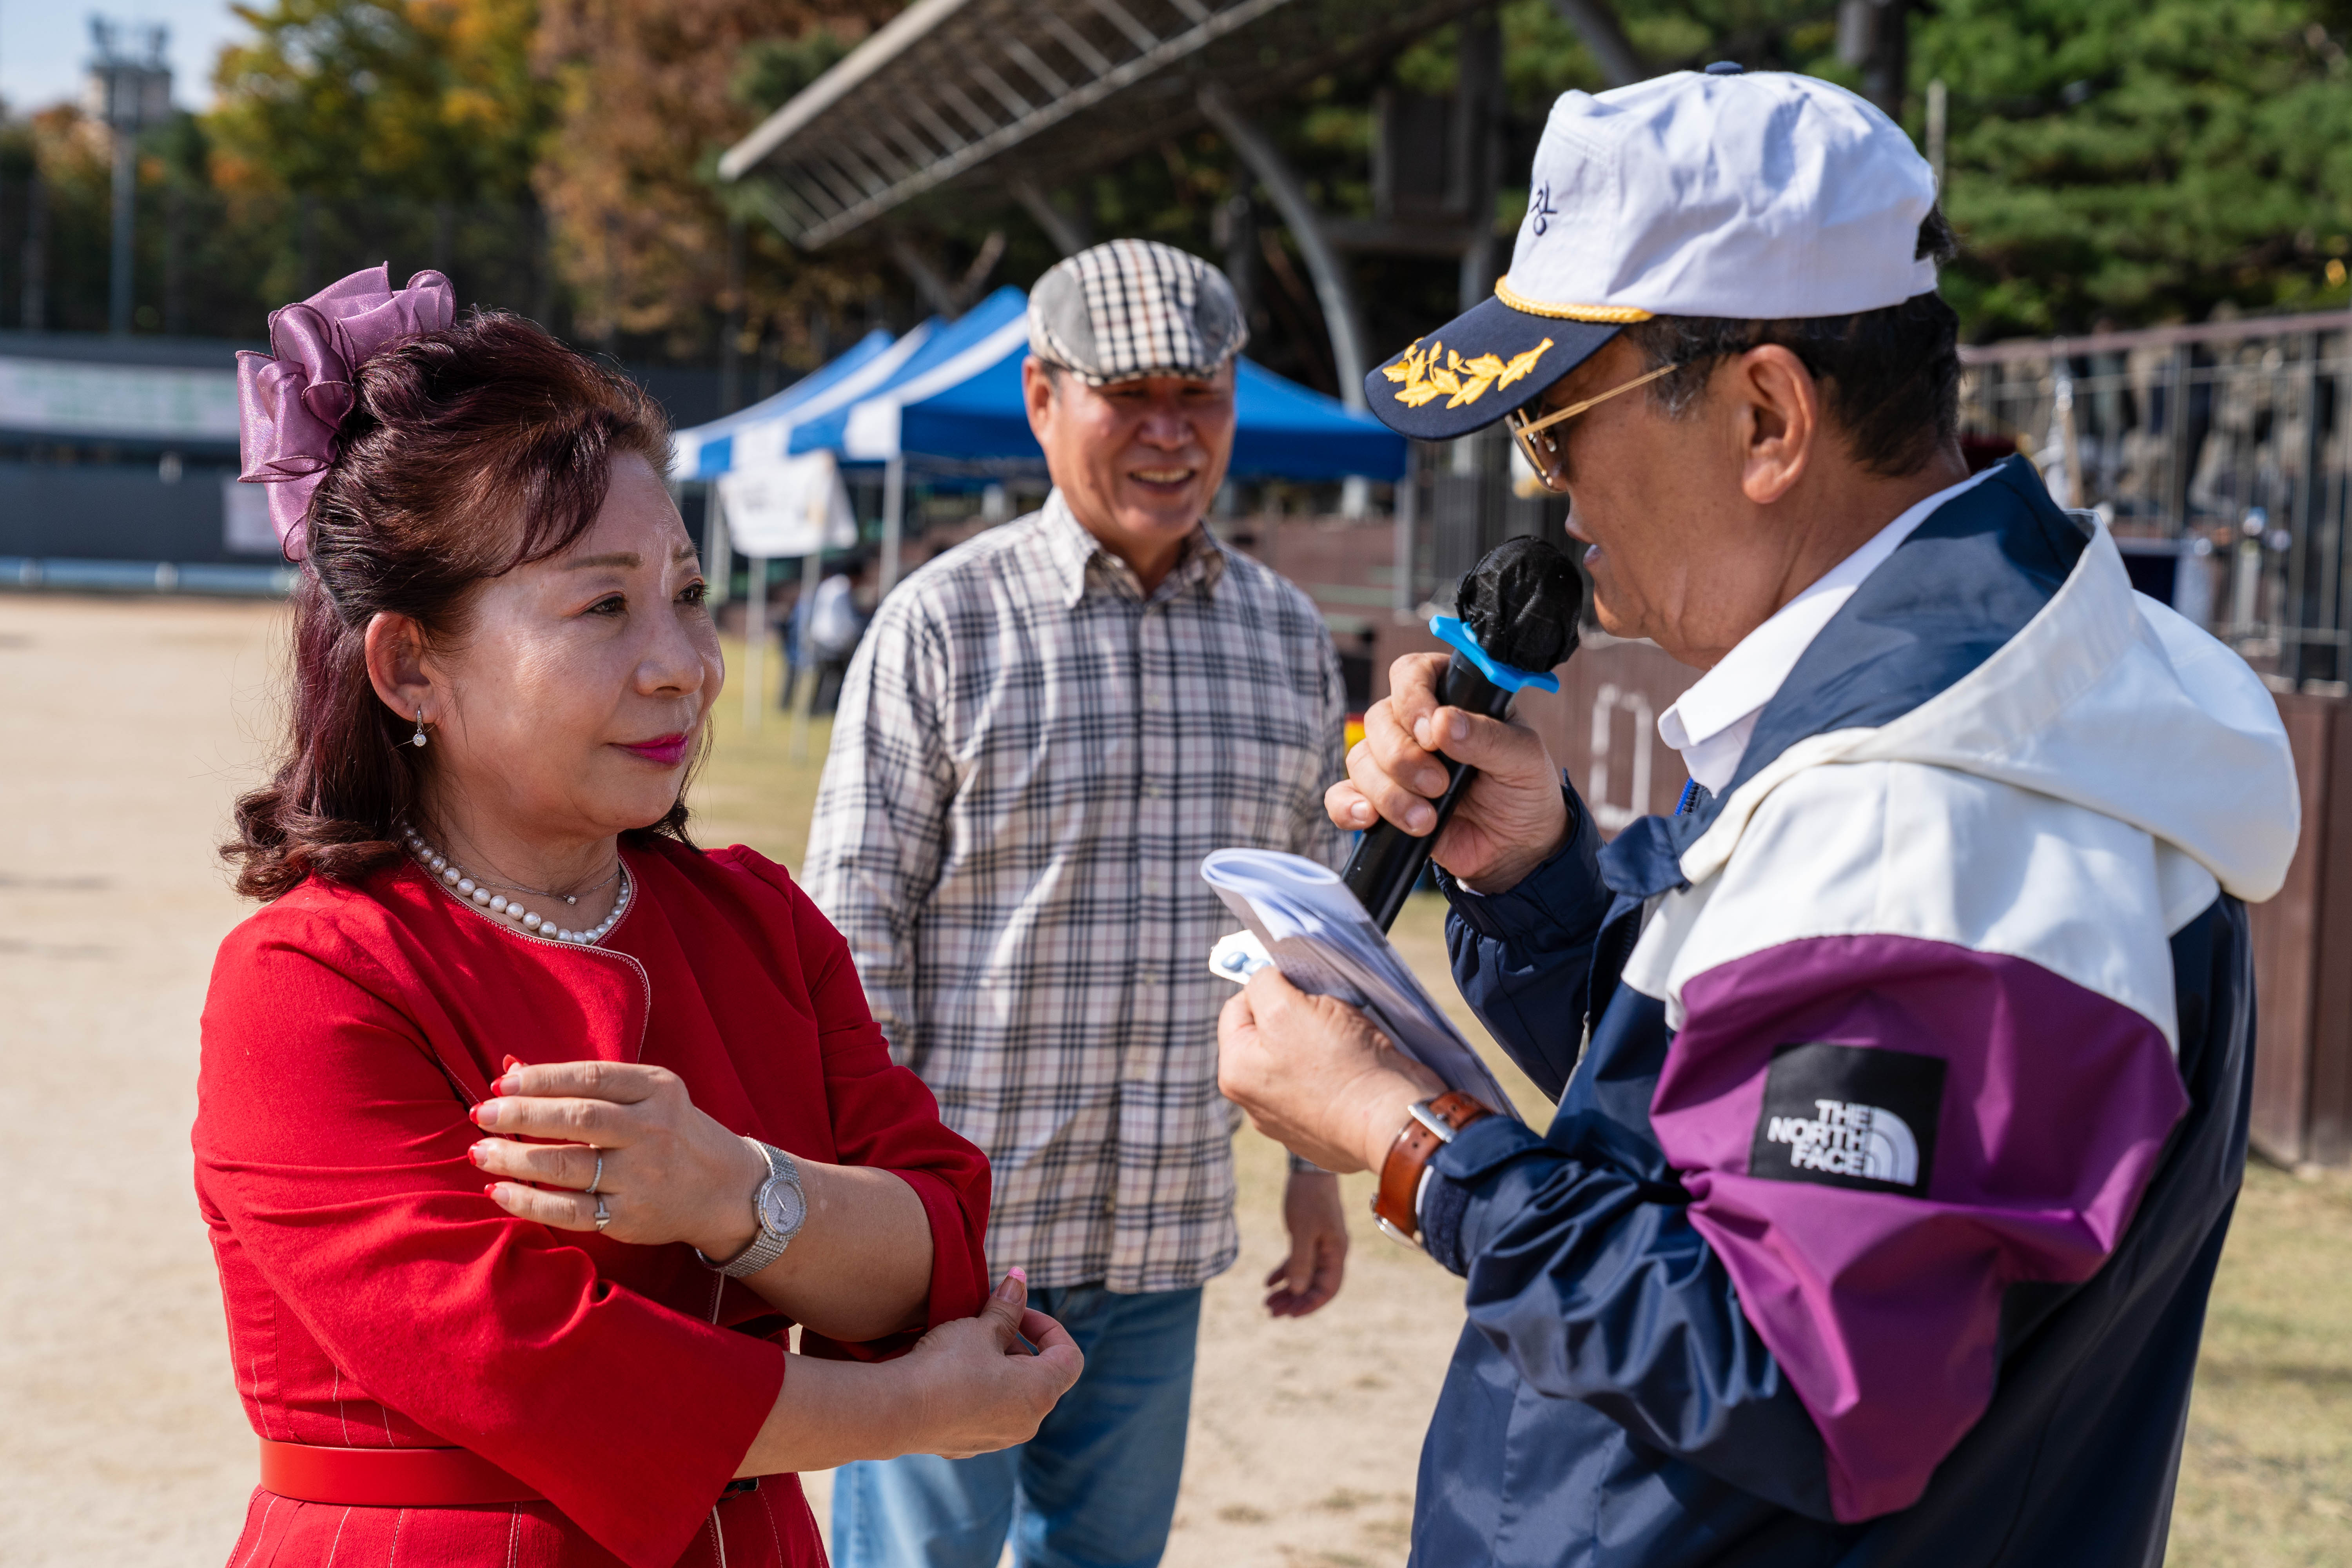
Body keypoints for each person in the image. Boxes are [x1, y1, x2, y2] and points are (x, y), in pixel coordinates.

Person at [1216, 68, 2302, 1566]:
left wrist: (1410, 1141)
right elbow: (1737, 1144)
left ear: (1769, 415)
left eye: (1556, 424)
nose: (1551, 493)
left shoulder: (1937, 809)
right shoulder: (1962, 717)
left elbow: (1791, 1379)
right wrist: (1538, 889)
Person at [199, 266, 1081, 1568]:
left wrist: (734, 1190)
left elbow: (936, 1244)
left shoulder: (755, 921)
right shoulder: (311, 978)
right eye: (605, 605)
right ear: (409, 666)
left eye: (688, 593)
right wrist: (912, 1407)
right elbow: (536, 1373)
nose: (685, 662)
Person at [802, 237, 1351, 1568]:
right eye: (1131, 396)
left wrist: (1316, 1173)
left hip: (1165, 1223)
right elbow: (849, 933)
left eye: (1200, 397)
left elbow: (1309, 936)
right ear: (1044, 398)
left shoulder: (1290, 640)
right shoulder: (943, 625)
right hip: (951, 1244)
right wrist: (861, 1215)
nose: (1171, 434)